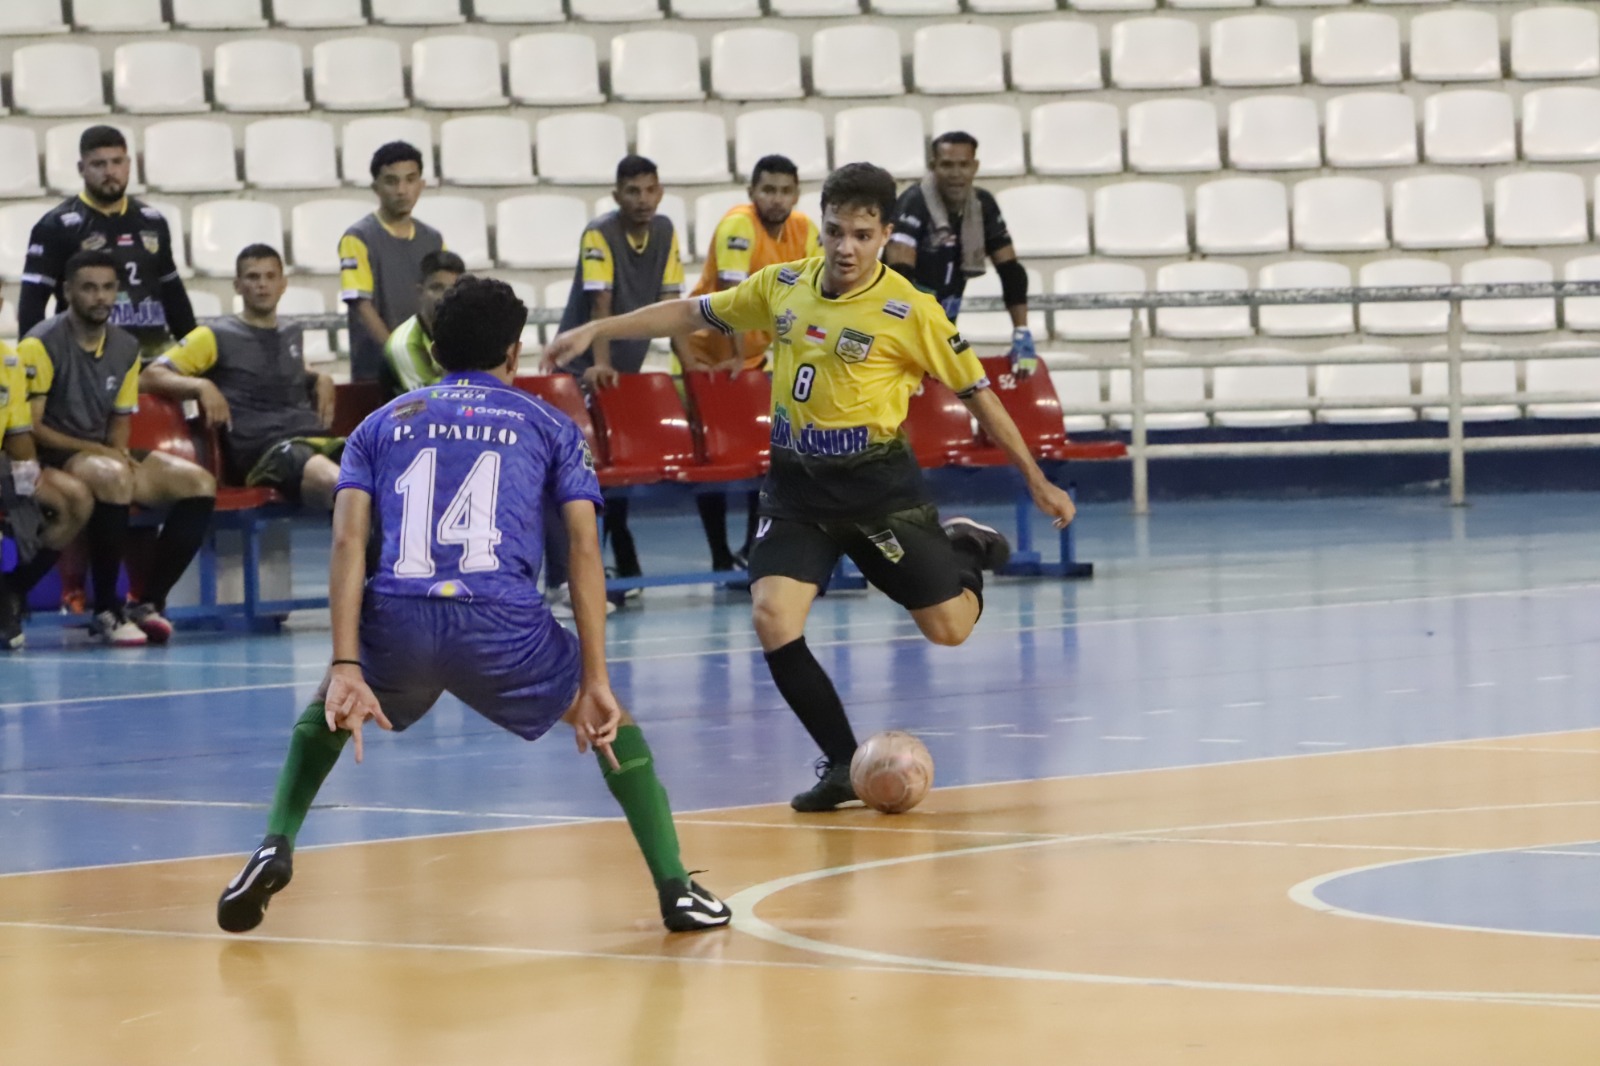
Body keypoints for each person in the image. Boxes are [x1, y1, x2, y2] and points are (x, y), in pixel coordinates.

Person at [546, 163, 1077, 811]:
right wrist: (599, 329)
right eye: (835, 231)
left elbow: (981, 398)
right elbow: (692, 311)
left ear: (884, 234)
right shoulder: (784, 284)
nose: (846, 247)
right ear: (819, 227)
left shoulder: (912, 311)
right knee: (772, 616)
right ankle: (840, 761)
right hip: (797, 491)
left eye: (861, 234)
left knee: (949, 629)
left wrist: (1037, 480)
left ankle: (963, 550)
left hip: (879, 492)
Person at [215, 276, 730, 935]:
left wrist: (347, 660)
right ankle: (676, 889)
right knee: (612, 727)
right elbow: (580, 549)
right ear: (515, 354)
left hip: (399, 618)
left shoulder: (379, 424)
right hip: (502, 624)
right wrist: (594, 679)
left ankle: (275, 843)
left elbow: (347, 539)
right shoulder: (551, 425)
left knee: (329, 708)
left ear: (430, 351)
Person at [22, 250, 216, 646]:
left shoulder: (126, 348)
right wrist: (107, 457)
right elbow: (35, 427)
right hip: (55, 455)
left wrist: (118, 454)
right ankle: (105, 610)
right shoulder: (39, 344)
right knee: (111, 478)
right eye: (89, 288)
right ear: (68, 291)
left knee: (198, 482)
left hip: (101, 452)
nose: (100, 297)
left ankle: (147, 602)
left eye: (108, 288)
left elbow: (120, 421)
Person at [678, 154, 821, 572]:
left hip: (752, 359)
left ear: (796, 193)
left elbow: (811, 297)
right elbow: (731, 299)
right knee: (715, 461)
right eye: (768, 190)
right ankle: (721, 556)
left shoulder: (804, 230)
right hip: (708, 354)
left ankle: (748, 550)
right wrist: (737, 357)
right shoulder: (738, 225)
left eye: (785, 190)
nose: (777, 199)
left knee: (761, 456)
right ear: (752, 192)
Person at [556, 154, 684, 586]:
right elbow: (600, 304)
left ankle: (619, 559)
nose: (643, 199)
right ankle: (576, 571)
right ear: (616, 196)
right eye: (632, 191)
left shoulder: (665, 232)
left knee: (618, 466)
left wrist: (694, 365)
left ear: (660, 192)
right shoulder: (599, 234)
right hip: (579, 372)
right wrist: (600, 363)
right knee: (587, 473)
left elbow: (674, 310)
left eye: (650, 189)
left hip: (617, 374)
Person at [142, 244, 342, 510]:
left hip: (312, 439)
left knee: (381, 468)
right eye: (253, 277)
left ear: (283, 284)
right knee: (342, 485)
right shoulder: (213, 335)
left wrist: (318, 377)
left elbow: (280, 371)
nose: (262, 285)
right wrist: (200, 385)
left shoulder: (291, 332)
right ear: (238, 285)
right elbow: (149, 376)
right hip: (263, 452)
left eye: (270, 277)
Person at [18, 126, 196, 360]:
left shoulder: (153, 222)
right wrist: (30, 364)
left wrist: (195, 351)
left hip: (152, 358)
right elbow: (32, 302)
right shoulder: (55, 226)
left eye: (116, 162)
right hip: (87, 361)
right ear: (82, 168)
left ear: (129, 164)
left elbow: (173, 295)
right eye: (99, 164)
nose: (110, 171)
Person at [885, 131, 1037, 378]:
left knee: (965, 381)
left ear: (975, 167)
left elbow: (1011, 270)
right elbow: (898, 275)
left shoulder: (982, 205)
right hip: (901, 324)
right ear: (933, 166)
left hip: (944, 325)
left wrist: (1022, 331)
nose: (956, 174)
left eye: (963, 165)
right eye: (947, 165)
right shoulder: (914, 202)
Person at [0, 314, 95, 650]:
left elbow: (18, 431)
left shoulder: (7, 359)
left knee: (72, 504)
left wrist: (27, 476)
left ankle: (13, 590)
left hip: (2, 464)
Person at [339, 142, 445, 383]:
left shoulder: (434, 239)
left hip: (429, 371)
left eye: (410, 179)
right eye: (391, 181)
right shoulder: (357, 238)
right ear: (376, 187)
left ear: (422, 184)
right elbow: (362, 305)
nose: (402, 190)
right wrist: (401, 355)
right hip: (377, 372)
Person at [380, 250, 466, 398]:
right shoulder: (403, 343)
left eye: (454, 289)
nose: (446, 296)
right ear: (420, 292)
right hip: (411, 418)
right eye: (437, 288)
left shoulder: (468, 331)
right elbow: (431, 400)